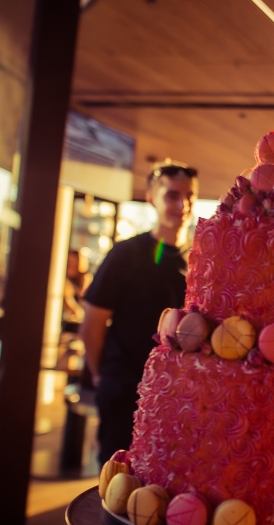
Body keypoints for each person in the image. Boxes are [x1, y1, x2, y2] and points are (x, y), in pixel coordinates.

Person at [80, 162, 196, 465]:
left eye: (189, 196)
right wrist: (101, 375)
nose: (182, 205)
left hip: (173, 395)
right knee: (118, 475)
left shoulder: (196, 260)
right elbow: (92, 323)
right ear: (151, 198)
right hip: (124, 389)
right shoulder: (127, 253)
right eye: (172, 195)